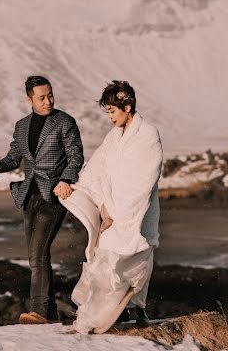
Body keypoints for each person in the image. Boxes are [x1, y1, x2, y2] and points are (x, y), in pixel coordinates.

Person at [0, 75, 84, 324]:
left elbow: (76, 156)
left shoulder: (64, 122)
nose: (48, 101)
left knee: (37, 254)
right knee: (37, 256)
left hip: (54, 197)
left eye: (50, 95)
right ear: (30, 100)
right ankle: (50, 314)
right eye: (41, 97)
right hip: (29, 196)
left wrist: (66, 180)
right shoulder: (22, 126)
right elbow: (13, 159)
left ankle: (37, 310)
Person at [60, 80, 163, 334]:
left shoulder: (148, 135)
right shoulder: (113, 136)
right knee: (106, 255)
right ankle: (103, 311)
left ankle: (139, 310)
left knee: (139, 257)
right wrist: (91, 197)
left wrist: (118, 211)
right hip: (113, 209)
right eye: (107, 112)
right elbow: (98, 167)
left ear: (127, 107)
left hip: (139, 208)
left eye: (112, 111)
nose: (110, 117)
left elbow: (143, 178)